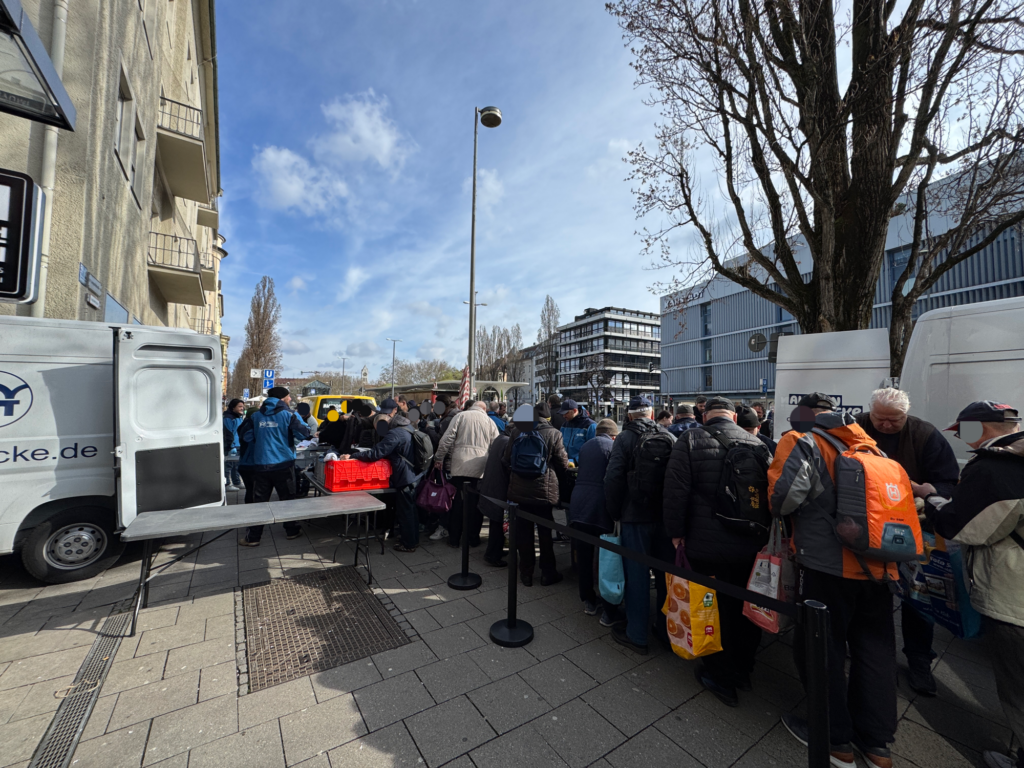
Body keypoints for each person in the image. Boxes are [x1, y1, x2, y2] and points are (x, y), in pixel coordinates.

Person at [769, 393, 898, 768]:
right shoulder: (873, 448)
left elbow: (783, 499)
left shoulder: (806, 442)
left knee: (820, 648)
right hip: (879, 565)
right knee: (874, 651)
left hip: (828, 565)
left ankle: (835, 739)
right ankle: (876, 744)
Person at [923, 401, 1024, 768]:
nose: (962, 440)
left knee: (1018, 684)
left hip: (1015, 591)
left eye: (964, 431)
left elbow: (963, 527)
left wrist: (931, 499)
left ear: (981, 427)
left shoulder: (997, 466)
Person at [663, 396, 769, 705]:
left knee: (711, 608)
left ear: (704, 415)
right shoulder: (758, 444)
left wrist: (676, 534)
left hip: (705, 543)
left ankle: (719, 675)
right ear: (734, 417)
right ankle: (744, 670)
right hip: (750, 544)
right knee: (745, 607)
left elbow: (675, 492)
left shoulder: (690, 440)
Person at [855, 387, 959, 696]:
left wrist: (926, 495)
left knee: (918, 600)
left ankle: (919, 661)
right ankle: (867, 652)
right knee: (868, 593)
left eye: (895, 419)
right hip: (867, 525)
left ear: (907, 414)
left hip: (915, 527)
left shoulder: (925, 434)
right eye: (880, 418)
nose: (886, 425)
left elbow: (948, 481)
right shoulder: (857, 425)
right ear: (870, 412)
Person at [604, 396, 675, 654]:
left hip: (635, 516)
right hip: (664, 518)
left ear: (629, 416)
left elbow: (613, 477)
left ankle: (637, 635)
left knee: (637, 575)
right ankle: (667, 631)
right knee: (666, 576)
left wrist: (615, 513)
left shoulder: (624, 438)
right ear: (652, 414)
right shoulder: (669, 437)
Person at [339, 398, 422, 552]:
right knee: (410, 509)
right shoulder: (406, 427)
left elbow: (375, 453)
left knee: (406, 511)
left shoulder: (394, 434)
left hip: (405, 475)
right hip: (413, 474)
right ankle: (411, 539)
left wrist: (353, 456)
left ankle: (409, 544)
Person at [502, 402, 569, 586]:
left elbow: (506, 458)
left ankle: (526, 573)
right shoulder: (554, 433)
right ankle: (548, 572)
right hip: (543, 491)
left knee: (524, 532)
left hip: (519, 489)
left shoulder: (517, 431)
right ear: (548, 417)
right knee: (545, 532)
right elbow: (563, 463)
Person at [237, 387, 310, 546]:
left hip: (261, 464)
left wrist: (262, 438)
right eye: (288, 397)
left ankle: (253, 537)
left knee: (260, 502)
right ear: (282, 398)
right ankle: (291, 530)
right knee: (287, 500)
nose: (290, 399)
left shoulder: (256, 416)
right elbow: (304, 433)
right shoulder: (289, 414)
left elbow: (244, 435)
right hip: (283, 464)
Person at [569, 418, 619, 624]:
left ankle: (588, 600)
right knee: (607, 558)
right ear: (613, 435)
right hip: (600, 506)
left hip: (579, 502)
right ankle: (609, 608)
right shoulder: (613, 447)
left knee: (584, 554)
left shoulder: (586, 446)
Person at [434, 400, 499, 548]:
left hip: (459, 465)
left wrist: (439, 457)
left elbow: (447, 439)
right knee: (476, 505)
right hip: (479, 466)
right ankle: (473, 538)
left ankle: (454, 538)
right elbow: (495, 445)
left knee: (457, 502)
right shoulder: (489, 421)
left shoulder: (460, 416)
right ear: (484, 409)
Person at [478, 431, 511, 567]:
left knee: (496, 522)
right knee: (498, 522)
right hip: (500, 488)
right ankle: (492, 555)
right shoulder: (508, 442)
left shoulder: (501, 438)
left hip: (492, 486)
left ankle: (495, 551)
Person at [559, 399, 597, 464]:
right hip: (566, 463)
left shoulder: (590, 426)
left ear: (574, 411)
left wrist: (576, 461)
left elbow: (592, 449)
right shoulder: (564, 425)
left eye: (566, 413)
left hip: (582, 464)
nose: (563, 416)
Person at [223, 398, 245, 491]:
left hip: (238, 444)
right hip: (232, 445)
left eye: (242, 406)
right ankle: (227, 483)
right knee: (228, 465)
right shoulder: (228, 418)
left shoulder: (238, 417)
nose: (242, 408)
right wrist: (231, 446)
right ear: (233, 407)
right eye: (239, 406)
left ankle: (237, 482)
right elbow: (228, 433)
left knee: (236, 465)